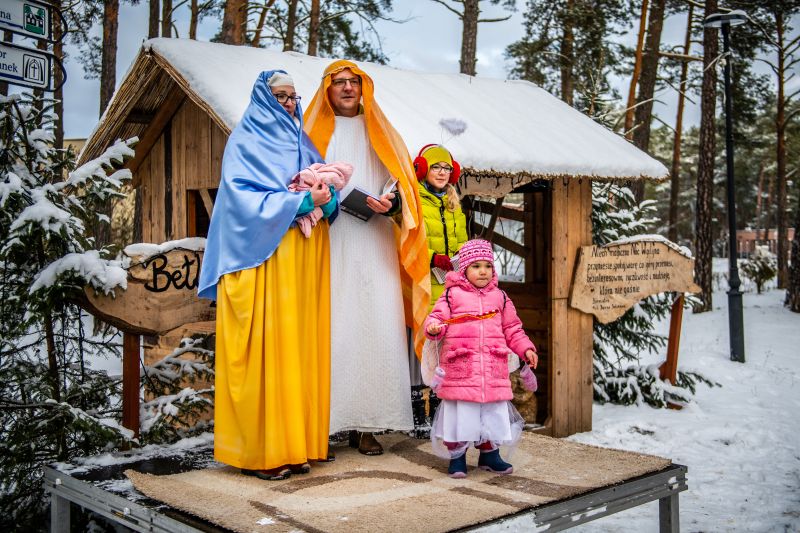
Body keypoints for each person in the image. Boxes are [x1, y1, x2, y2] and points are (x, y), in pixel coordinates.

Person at [198, 70, 338, 480]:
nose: (291, 104)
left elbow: (327, 191)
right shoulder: (245, 141)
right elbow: (241, 200)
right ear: (263, 98)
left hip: (298, 266)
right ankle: (262, 454)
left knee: (295, 354)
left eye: (294, 97)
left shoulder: (302, 142)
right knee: (265, 355)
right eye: (281, 97)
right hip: (260, 263)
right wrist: (296, 203)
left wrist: (326, 201)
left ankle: (295, 446)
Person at [304, 60, 431, 455]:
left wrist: (390, 201)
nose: (346, 89)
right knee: (332, 325)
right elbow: (295, 180)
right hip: (329, 237)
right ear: (327, 89)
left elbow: (403, 187)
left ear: (363, 89)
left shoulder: (383, 133)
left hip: (374, 238)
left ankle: (368, 423)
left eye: (352, 83)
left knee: (376, 324)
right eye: (338, 83)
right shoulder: (308, 134)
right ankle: (323, 423)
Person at [424, 239, 538, 478]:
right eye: (476, 266)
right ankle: (458, 457)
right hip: (462, 367)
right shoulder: (451, 295)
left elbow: (513, 328)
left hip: (492, 369)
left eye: (487, 265)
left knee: (492, 413)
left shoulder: (500, 297)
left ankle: (490, 454)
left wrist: (525, 348)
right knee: (462, 414)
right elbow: (437, 318)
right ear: (463, 269)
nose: (483, 271)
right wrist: (434, 327)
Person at [413, 144, 468, 309]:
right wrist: (432, 258)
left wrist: (462, 253)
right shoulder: (414, 199)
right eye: (436, 167)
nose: (442, 172)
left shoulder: (454, 203)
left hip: (453, 281)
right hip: (423, 280)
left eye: (447, 168)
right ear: (422, 169)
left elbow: (462, 239)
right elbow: (405, 239)